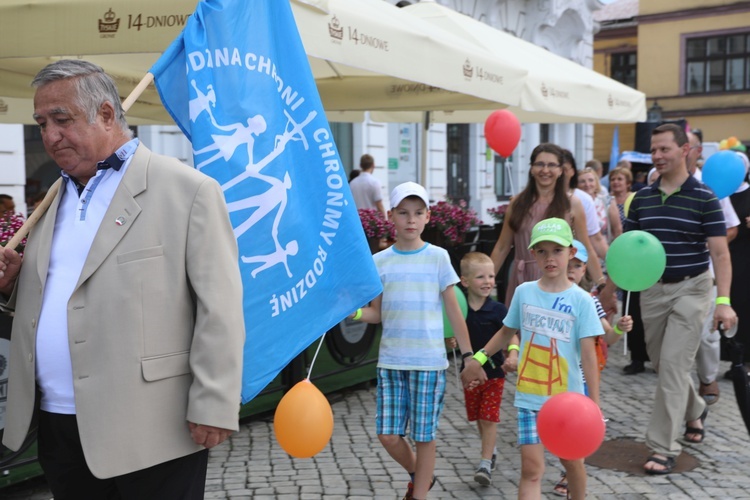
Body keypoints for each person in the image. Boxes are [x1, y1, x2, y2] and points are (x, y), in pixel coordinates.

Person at [0, 60, 245, 499]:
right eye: (42, 123)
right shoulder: (53, 197)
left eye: (62, 120)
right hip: (59, 423)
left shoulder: (187, 190)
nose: (50, 136)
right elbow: (70, 295)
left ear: (108, 115)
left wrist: (214, 403)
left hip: (151, 426)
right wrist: (14, 285)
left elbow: (220, 308)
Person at [620, 123, 736, 475]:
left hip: (693, 288)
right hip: (652, 291)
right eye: (653, 150)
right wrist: (612, 289)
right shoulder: (640, 199)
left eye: (664, 149)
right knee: (663, 363)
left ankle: (662, 446)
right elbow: (627, 251)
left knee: (671, 366)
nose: (656, 156)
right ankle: (696, 408)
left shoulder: (705, 198)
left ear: (684, 150)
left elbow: (720, 255)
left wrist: (723, 301)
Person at [463, 218, 603, 500]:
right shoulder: (525, 292)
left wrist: (595, 406)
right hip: (530, 397)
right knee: (531, 469)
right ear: (533, 254)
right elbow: (506, 332)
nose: (550, 258)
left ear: (571, 252)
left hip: (568, 402)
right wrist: (478, 359)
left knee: (572, 463)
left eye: (557, 250)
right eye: (542, 251)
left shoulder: (582, 301)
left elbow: (588, 356)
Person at [352, 181, 475, 500]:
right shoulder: (380, 262)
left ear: (427, 217)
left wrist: (469, 355)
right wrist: (351, 314)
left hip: (428, 363)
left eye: (418, 213)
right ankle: (420, 475)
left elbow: (454, 310)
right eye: (404, 213)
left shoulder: (438, 257)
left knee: (424, 436)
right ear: (390, 215)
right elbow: (376, 314)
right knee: (388, 435)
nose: (411, 219)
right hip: (391, 361)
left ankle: (419, 493)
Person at [553, 239, 633, 497]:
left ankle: (571, 473)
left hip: (582, 376)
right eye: (569, 264)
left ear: (585, 268)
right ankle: (567, 467)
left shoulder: (590, 301)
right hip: (554, 374)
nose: (571, 270)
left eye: (577, 266)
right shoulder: (546, 296)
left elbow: (607, 337)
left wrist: (620, 327)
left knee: (576, 427)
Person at [490, 143, 608, 310]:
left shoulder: (572, 204)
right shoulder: (516, 204)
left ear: (561, 170)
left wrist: (602, 284)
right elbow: (502, 247)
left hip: (558, 280)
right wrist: (485, 279)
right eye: (540, 164)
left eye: (552, 165)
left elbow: (587, 247)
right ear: (531, 169)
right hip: (523, 278)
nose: (545, 170)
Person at [687, 131, 739, 406]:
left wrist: (708, 241)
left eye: (688, 149)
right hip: (669, 275)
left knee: (706, 334)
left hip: (704, 273)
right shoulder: (656, 183)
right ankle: (681, 390)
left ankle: (707, 378)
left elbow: (731, 228)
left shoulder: (711, 186)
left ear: (697, 153)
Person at [458, 252, 518, 487]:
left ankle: (485, 462)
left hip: (495, 375)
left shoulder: (499, 310)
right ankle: (490, 451)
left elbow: (512, 336)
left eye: (491, 276)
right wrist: (450, 342)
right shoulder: (459, 309)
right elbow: (452, 335)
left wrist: (513, 355)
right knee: (478, 418)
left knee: (488, 417)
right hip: (470, 376)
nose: (488, 281)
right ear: (465, 281)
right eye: (481, 276)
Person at [728, 150, 750, 377]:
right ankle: (731, 356)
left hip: (746, 256)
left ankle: (745, 358)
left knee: (744, 304)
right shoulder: (722, 192)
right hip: (727, 255)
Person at [577, 167, 621, 242]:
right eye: (582, 181)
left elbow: (617, 230)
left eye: (591, 180)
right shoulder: (573, 204)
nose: (587, 184)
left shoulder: (607, 201)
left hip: (604, 249)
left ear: (596, 183)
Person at [349, 153, 386, 218]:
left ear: (360, 165)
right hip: (371, 221)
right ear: (373, 165)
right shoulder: (375, 182)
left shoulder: (352, 183)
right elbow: (379, 205)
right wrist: (385, 220)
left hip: (357, 219)